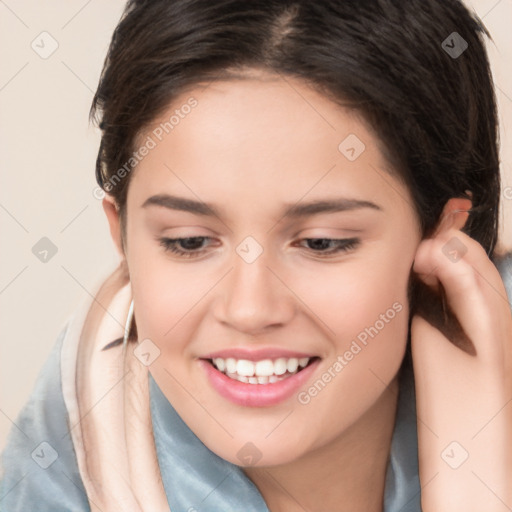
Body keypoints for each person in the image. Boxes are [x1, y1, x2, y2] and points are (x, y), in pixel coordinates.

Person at [1, 0, 511, 510]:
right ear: (124, 237)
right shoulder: (65, 453)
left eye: (321, 243)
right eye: (189, 241)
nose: (249, 309)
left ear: (444, 239)